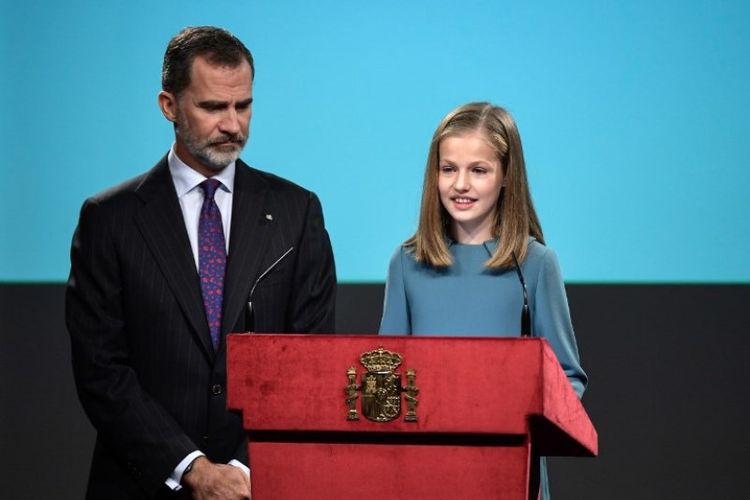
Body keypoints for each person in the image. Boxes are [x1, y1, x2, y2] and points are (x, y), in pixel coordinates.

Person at [66, 26, 336, 499]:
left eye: (243, 105)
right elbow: (101, 369)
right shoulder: (109, 219)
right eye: (213, 107)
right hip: (142, 484)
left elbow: (311, 360)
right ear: (168, 106)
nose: (233, 124)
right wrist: (191, 468)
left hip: (261, 484)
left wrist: (243, 469)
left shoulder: (298, 212)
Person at [379, 102, 586, 499]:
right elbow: (387, 377)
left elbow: (568, 379)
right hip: (424, 476)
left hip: (509, 476)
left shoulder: (537, 263)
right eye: (448, 169)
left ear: (507, 175)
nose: (461, 184)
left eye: (479, 170)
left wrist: (524, 425)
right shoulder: (406, 263)